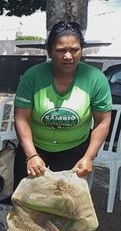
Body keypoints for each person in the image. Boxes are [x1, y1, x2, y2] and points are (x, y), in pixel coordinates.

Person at [13, 21, 112, 189]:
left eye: (74, 49)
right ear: (50, 51)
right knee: (26, 200)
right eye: (60, 50)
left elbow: (103, 121)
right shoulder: (33, 76)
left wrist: (89, 157)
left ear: (82, 49)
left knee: (66, 203)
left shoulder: (95, 78)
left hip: (75, 150)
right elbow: (21, 118)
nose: (68, 56)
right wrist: (31, 156)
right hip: (34, 147)